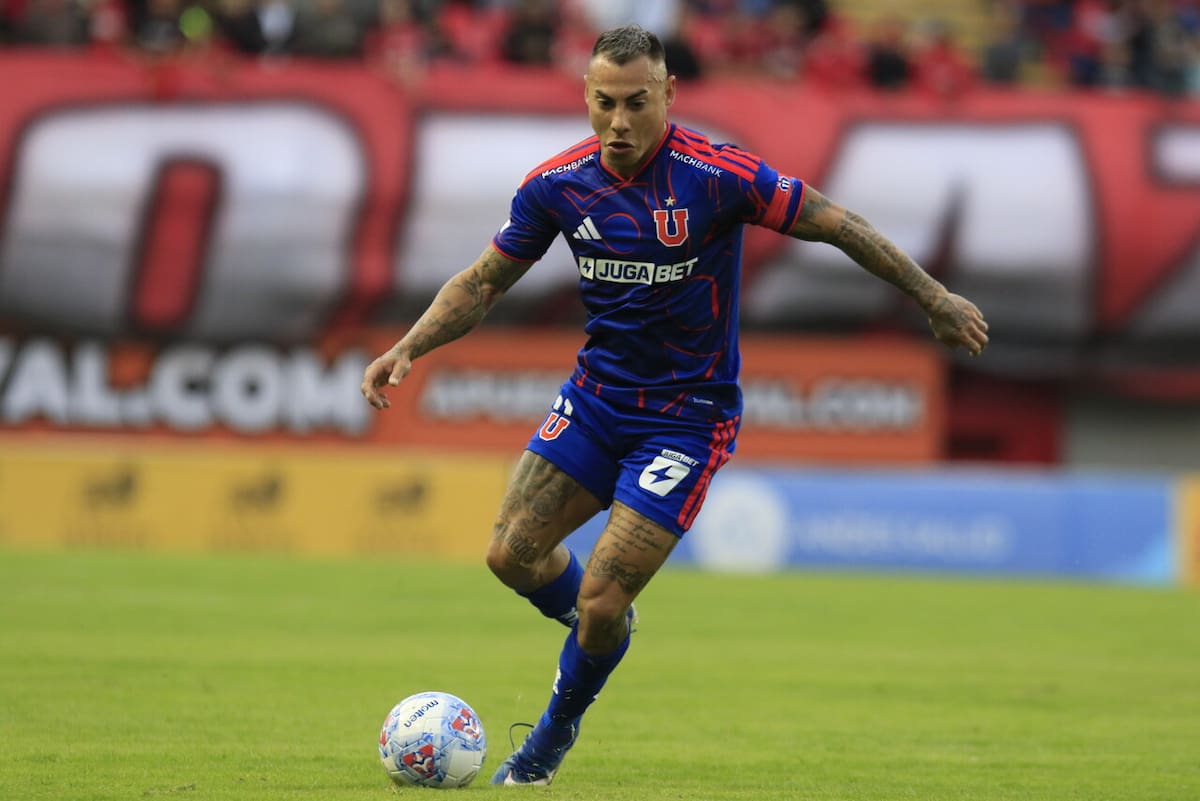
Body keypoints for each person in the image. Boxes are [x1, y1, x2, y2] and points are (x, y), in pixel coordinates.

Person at [360, 23, 988, 787]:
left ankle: (548, 740)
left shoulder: (717, 176)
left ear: (669, 96)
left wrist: (934, 296)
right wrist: (410, 347)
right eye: (604, 103)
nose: (619, 122)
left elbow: (838, 223)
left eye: (637, 103)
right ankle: (604, 631)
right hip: (595, 400)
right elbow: (483, 281)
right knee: (508, 555)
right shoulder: (556, 185)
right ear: (585, 97)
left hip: (686, 418)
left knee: (599, 599)